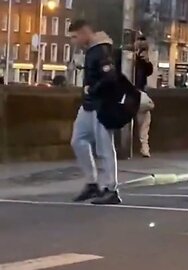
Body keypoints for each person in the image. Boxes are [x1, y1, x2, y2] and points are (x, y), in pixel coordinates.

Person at [69, 20, 121, 205]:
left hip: (103, 105)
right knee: (78, 140)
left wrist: (92, 90)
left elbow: (110, 77)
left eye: (75, 36)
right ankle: (92, 184)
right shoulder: (91, 51)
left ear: (84, 33)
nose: (74, 41)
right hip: (89, 105)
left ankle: (111, 189)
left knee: (104, 147)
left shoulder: (102, 50)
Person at [134, 35, 154, 158]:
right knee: (144, 122)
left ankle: (144, 146)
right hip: (130, 92)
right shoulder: (129, 57)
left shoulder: (142, 60)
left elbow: (148, 71)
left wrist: (146, 61)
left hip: (139, 93)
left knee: (145, 121)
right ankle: (144, 147)